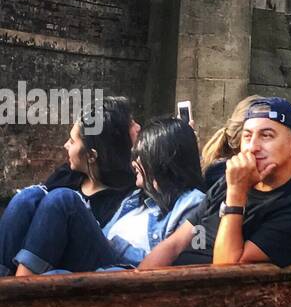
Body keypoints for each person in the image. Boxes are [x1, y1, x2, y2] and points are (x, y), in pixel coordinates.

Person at [0, 116, 204, 277]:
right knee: (30, 197)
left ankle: (18, 293)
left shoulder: (192, 202)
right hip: (101, 259)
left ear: (162, 161)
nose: (133, 161)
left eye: (143, 156)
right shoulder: (136, 198)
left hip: (126, 272)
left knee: (63, 200)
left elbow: (182, 261)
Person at [139, 98, 291, 269]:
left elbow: (228, 271)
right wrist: (138, 283)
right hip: (170, 287)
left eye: (266, 135)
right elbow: (174, 245)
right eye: (247, 136)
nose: (253, 146)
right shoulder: (226, 184)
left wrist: (236, 195)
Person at [1, 99, 137, 233]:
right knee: (28, 196)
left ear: (91, 156)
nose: (66, 145)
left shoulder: (122, 201)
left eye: (72, 141)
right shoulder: (67, 175)